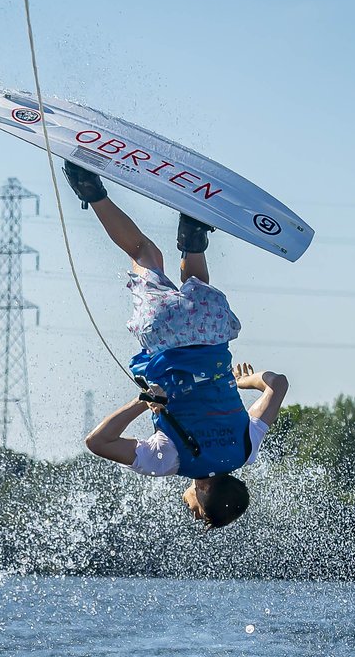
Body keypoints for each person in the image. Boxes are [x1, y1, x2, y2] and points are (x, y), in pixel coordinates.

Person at [68, 161, 289, 528]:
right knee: (143, 254)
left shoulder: (247, 449)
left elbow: (278, 383)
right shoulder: (168, 462)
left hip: (212, 329)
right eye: (194, 509)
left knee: (198, 287)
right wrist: (143, 402)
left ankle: (193, 237)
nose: (187, 504)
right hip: (164, 333)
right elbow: (98, 442)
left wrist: (241, 382)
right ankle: (90, 188)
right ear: (202, 496)